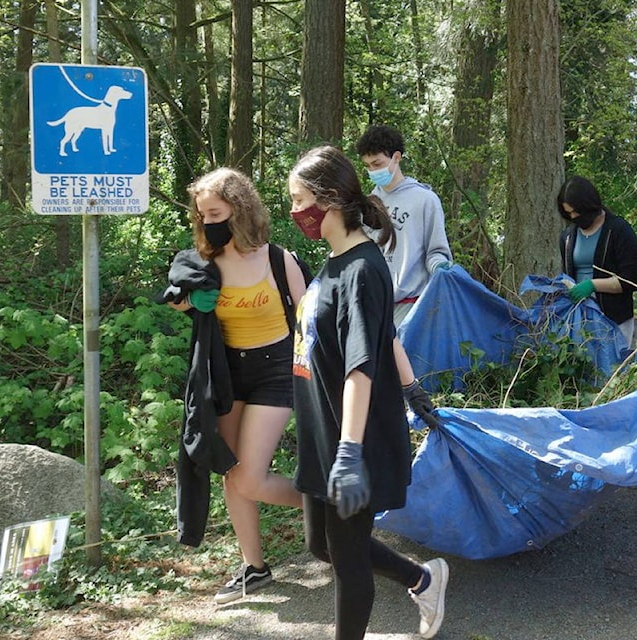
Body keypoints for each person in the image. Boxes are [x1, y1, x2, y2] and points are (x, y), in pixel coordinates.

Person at [287, 144, 449, 640]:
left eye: (299, 201)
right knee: (323, 546)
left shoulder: (361, 269)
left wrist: (351, 452)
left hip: (351, 435)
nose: (295, 212)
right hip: (322, 431)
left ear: (329, 199)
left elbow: (361, 365)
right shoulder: (334, 262)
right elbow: (387, 336)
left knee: (348, 558)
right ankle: (423, 578)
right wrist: (413, 386)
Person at [168, 167, 306, 604]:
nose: (207, 221)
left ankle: (329, 503)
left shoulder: (278, 259)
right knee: (232, 471)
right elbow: (176, 298)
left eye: (215, 212)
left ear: (239, 209)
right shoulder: (205, 262)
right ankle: (254, 567)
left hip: (276, 367)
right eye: (202, 214)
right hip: (228, 372)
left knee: (250, 478)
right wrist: (188, 301)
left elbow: (309, 323)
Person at [355, 124, 453, 326]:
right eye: (367, 166)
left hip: (412, 307)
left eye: (377, 163)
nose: (372, 170)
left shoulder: (425, 200)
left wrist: (442, 268)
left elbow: (436, 252)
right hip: (374, 307)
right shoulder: (367, 204)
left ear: (396, 158)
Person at [558, 175, 637, 348]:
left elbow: (632, 280)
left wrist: (593, 285)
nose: (574, 217)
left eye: (577, 212)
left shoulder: (618, 230)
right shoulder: (567, 237)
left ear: (590, 206)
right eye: (569, 214)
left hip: (614, 319)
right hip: (579, 319)